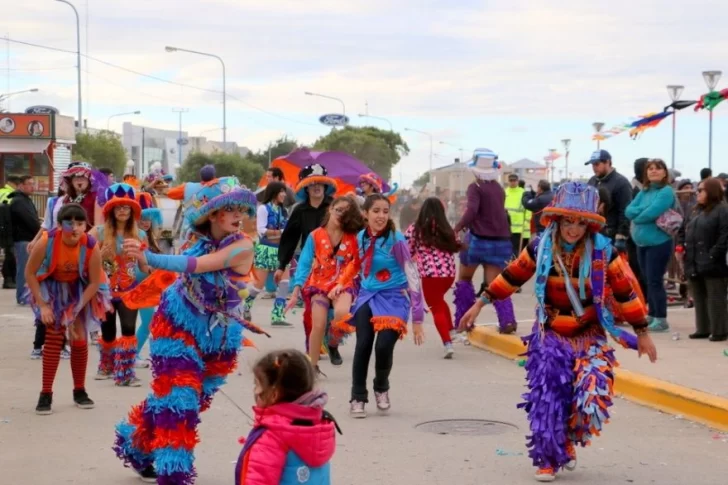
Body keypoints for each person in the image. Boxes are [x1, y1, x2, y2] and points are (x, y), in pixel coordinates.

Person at [459, 182, 657, 483]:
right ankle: (548, 459)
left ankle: (566, 439)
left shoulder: (604, 251)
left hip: (589, 335)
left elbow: (625, 292)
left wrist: (642, 331)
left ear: (590, 223)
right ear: (557, 220)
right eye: (568, 221)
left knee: (591, 397)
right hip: (550, 334)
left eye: (580, 222)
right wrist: (479, 303)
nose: (574, 229)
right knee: (548, 396)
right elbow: (512, 276)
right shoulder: (540, 246)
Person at [113, 176, 268, 484]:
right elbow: (182, 261)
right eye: (231, 210)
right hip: (177, 323)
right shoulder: (196, 238)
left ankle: (136, 444)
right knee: (180, 400)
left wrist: (151, 257)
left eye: (242, 210)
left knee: (188, 401)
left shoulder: (241, 246)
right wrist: (144, 257)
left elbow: (194, 264)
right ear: (213, 215)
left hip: (220, 336)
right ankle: (174, 475)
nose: (240, 216)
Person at [23, 203, 112, 415]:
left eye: (80, 223)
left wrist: (76, 309)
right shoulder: (47, 241)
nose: (75, 227)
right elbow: (29, 274)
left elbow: (93, 282)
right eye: (69, 223)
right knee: (53, 338)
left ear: (85, 225)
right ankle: (46, 394)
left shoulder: (90, 245)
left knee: (79, 339)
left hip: (80, 290)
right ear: (60, 225)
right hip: (52, 289)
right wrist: (43, 305)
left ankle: (79, 390)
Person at [349, 194, 425, 418]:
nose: (381, 216)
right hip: (367, 296)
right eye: (376, 211)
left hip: (394, 298)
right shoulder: (360, 237)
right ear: (365, 213)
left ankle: (381, 387)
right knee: (363, 344)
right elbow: (355, 268)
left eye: (385, 211)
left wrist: (418, 318)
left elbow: (412, 274)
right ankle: (358, 396)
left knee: (383, 346)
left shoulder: (396, 239)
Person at [235, 349, 339, 485]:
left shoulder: (272, 437)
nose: (255, 391)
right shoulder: (318, 426)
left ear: (274, 394)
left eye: (257, 385)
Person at [288, 196, 364, 372]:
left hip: (343, 283)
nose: (341, 215)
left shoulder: (353, 237)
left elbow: (358, 263)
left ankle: (333, 343)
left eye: (346, 212)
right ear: (330, 209)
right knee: (319, 324)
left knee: (342, 312)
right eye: (338, 210)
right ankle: (312, 366)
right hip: (319, 284)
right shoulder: (315, 235)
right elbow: (305, 263)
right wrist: (296, 288)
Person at [90, 183, 148, 386]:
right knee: (107, 331)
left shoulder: (140, 235)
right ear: (111, 210)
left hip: (129, 290)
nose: (122, 210)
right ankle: (106, 366)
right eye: (118, 206)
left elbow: (145, 266)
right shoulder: (97, 233)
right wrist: (98, 255)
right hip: (105, 291)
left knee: (129, 329)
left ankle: (125, 372)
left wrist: (143, 260)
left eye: (126, 207)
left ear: (132, 210)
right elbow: (83, 258)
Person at [453, 152, 517, 334]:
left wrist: (457, 228)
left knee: (464, 280)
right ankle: (507, 322)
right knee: (495, 285)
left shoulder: (475, 187)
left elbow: (472, 210)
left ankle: (463, 321)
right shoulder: (499, 188)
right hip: (501, 242)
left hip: (478, 241)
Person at [275, 164, 337, 351]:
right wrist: (282, 265)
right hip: (308, 263)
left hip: (334, 265)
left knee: (332, 304)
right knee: (311, 304)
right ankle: (314, 341)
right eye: (312, 184)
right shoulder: (299, 210)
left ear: (326, 186)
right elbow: (289, 238)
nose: (316, 187)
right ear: (306, 187)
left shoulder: (334, 207)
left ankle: (327, 335)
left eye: (320, 183)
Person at [405, 197, 461, 358]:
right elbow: (456, 244)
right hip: (449, 273)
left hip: (430, 275)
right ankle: (451, 330)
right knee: (440, 301)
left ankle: (447, 343)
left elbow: (407, 249)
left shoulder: (416, 228)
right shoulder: (447, 228)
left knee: (435, 306)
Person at [626, 159, 676, 333]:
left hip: (659, 243)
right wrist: (641, 213)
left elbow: (652, 212)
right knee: (647, 279)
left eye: (658, 168)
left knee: (655, 280)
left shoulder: (666, 191)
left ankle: (661, 319)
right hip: (641, 242)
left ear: (664, 172)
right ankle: (653, 314)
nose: (653, 171)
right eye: (650, 169)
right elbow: (628, 210)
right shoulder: (644, 191)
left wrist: (639, 215)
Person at [677, 178, 728, 341]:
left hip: (714, 261)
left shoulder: (722, 211)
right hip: (693, 259)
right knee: (698, 295)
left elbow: (724, 236)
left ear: (711, 191)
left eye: (701, 190)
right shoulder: (695, 211)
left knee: (715, 296)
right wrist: (680, 246)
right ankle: (703, 328)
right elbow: (682, 230)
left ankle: (719, 330)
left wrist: (713, 254)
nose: (697, 193)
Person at [245, 181, 292, 327]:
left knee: (284, 283)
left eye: (284, 191)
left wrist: (277, 234)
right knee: (258, 286)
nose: (284, 194)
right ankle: (246, 305)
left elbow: (286, 231)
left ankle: (277, 315)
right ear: (273, 193)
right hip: (266, 249)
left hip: (282, 250)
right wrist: (280, 233)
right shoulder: (263, 209)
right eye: (281, 191)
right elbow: (261, 231)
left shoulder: (283, 211)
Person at [586, 150, 632, 252]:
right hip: (592, 233)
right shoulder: (592, 181)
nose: (594, 167)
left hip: (610, 235)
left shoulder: (621, 183)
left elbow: (625, 211)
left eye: (597, 164)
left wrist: (621, 237)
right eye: (592, 164)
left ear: (608, 162)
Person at [9, 175, 40, 306]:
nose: (33, 186)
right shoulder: (19, 201)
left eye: (34, 184)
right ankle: (22, 296)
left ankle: (27, 295)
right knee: (24, 269)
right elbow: (30, 221)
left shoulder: (25, 199)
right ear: (21, 185)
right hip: (24, 240)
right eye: (29, 184)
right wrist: (40, 231)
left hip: (29, 239)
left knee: (29, 268)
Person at [0, 175, 19, 289]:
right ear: (14, 184)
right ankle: (8, 279)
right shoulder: (11, 194)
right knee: (9, 254)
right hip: (7, 228)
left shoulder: (1, 191)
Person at [505, 173, 530, 255]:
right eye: (511, 180)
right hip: (506, 226)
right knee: (507, 248)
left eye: (514, 180)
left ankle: (514, 265)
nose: (512, 182)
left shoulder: (523, 192)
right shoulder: (504, 192)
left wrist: (526, 220)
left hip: (519, 227)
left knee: (516, 249)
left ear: (517, 181)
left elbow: (528, 208)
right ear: (508, 181)